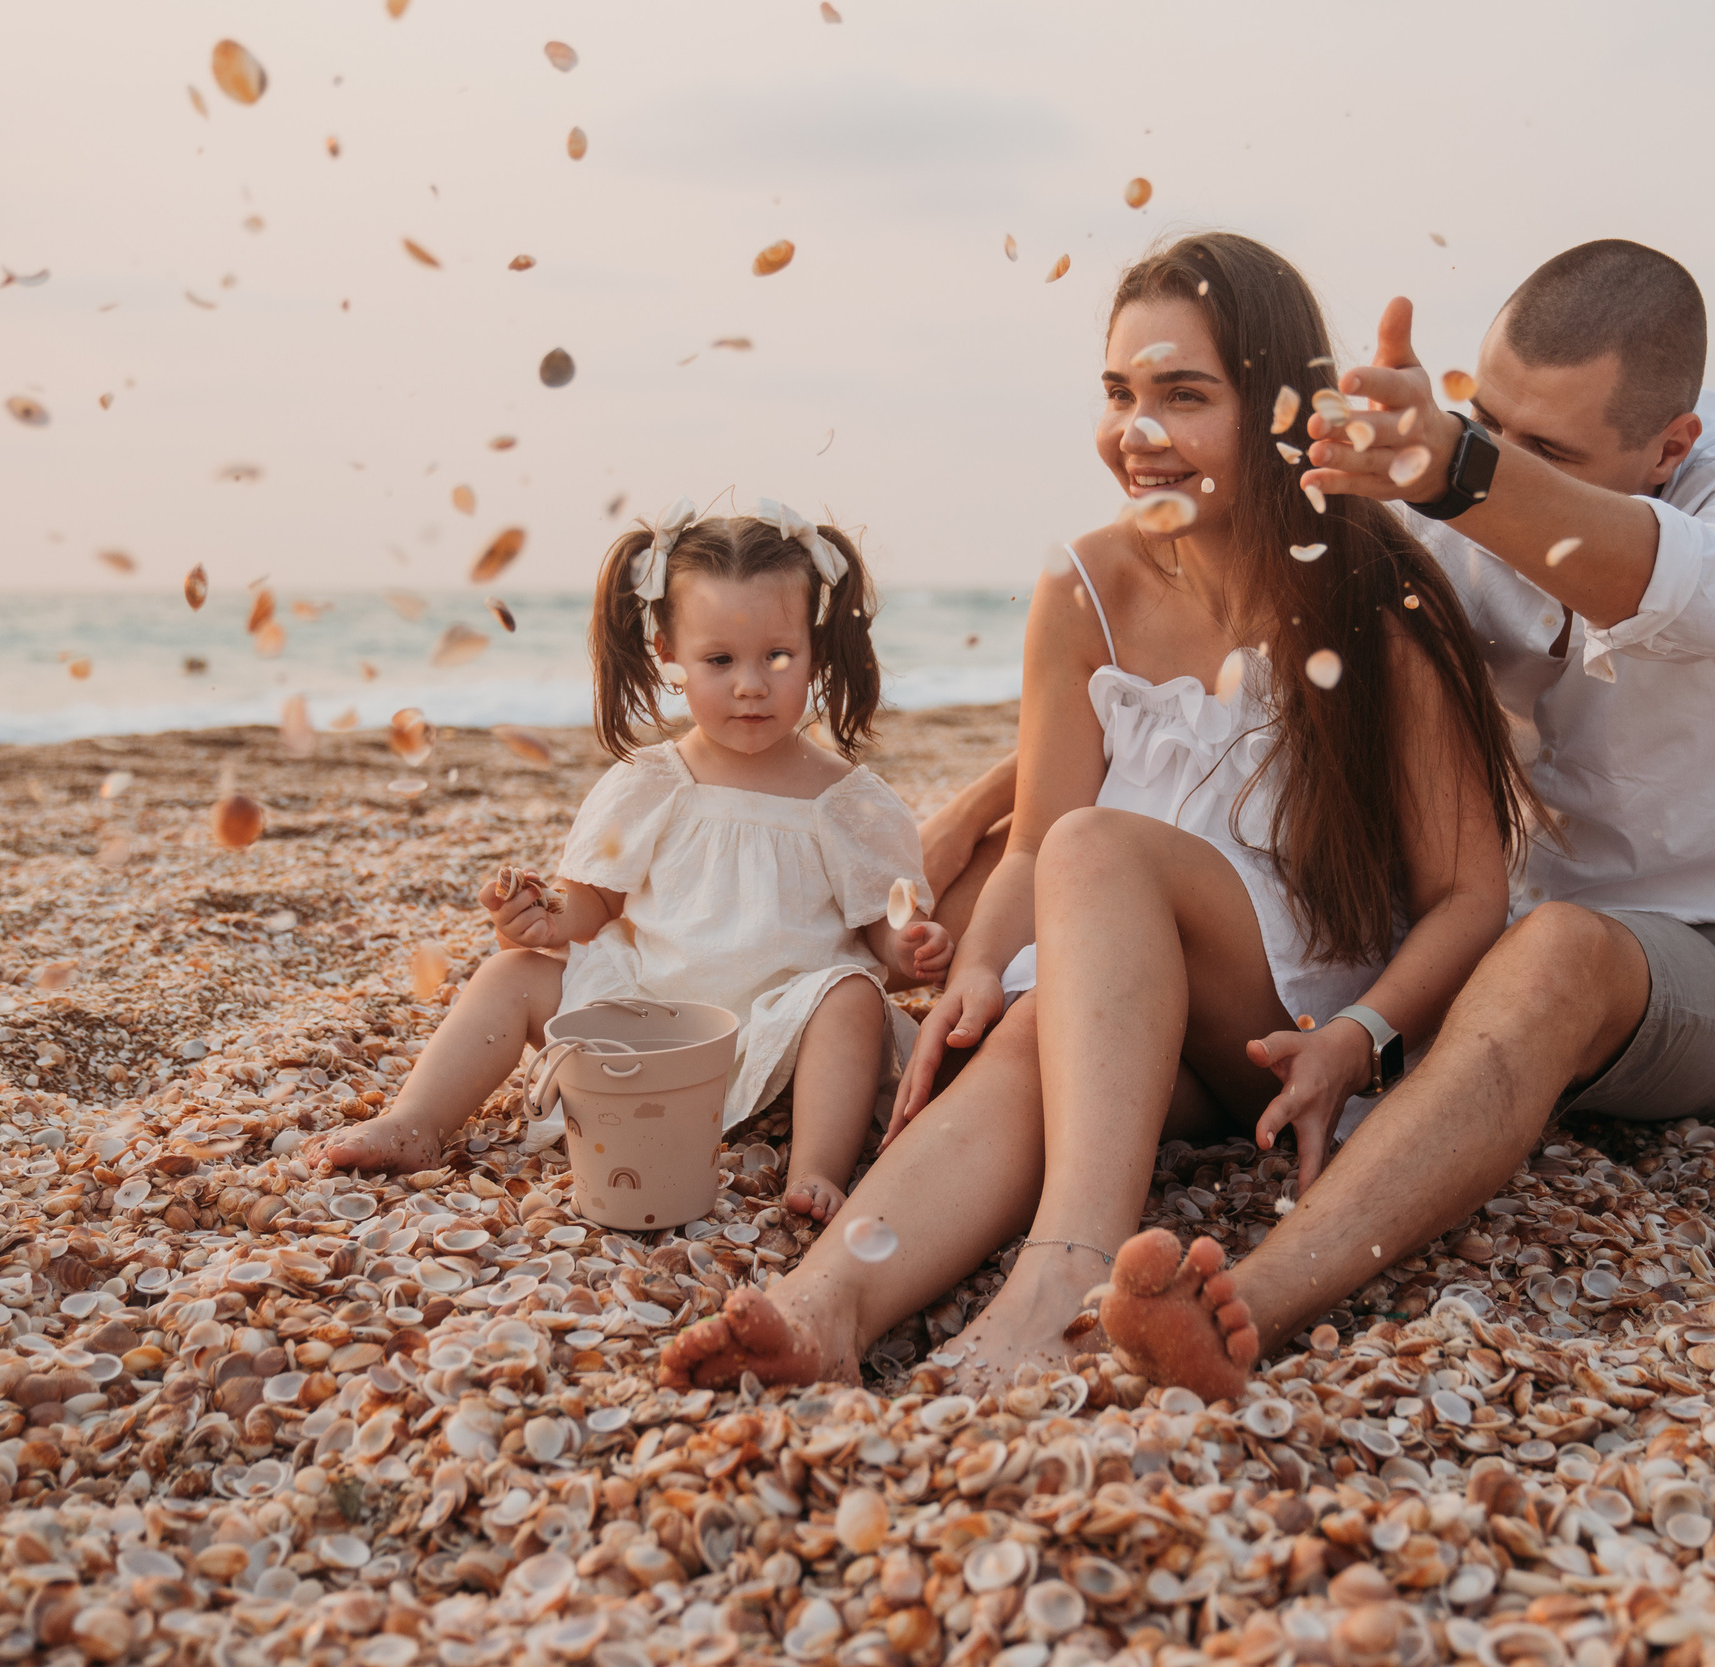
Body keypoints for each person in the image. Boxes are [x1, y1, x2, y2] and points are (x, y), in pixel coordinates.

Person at [659, 232, 1538, 1394]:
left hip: (1279, 1021)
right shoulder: (1082, 586)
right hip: (1127, 1001)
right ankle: (825, 1304)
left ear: (1280, 408)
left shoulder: (1374, 598)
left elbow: (1471, 893)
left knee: (1098, 848)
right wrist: (978, 962)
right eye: (1120, 393)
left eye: (1184, 395)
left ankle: (1053, 1284)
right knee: (1023, 1030)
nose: (1138, 431)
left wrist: (1359, 1036)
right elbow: (1030, 838)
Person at [1067, 239, 1715, 1398]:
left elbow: (1700, 585)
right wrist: (985, 812)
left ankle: (1255, 1303)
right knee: (1087, 885)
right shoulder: (1455, 493)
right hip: (1477, 961)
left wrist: (1457, 468)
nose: (1503, 463)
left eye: (1544, 451)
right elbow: (1220, 678)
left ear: (1670, 446)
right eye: (1486, 421)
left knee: (1557, 952)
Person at [309, 502, 955, 1221]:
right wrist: (544, 918)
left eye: (777, 656)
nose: (749, 684)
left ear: (816, 649)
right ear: (668, 657)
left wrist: (910, 943)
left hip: (784, 1037)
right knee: (510, 974)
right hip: (649, 1024)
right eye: (719, 660)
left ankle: (814, 1170)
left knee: (853, 998)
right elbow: (593, 905)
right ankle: (418, 1120)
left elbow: (879, 931)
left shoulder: (845, 801)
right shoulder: (652, 783)